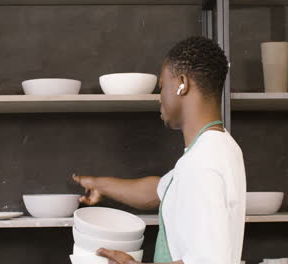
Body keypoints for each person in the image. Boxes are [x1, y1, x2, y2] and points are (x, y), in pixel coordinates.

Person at [73, 36, 246, 264]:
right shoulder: (218, 147)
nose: (159, 98)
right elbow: (161, 191)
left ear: (182, 84)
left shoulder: (204, 161)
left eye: (162, 87)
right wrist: (99, 184)